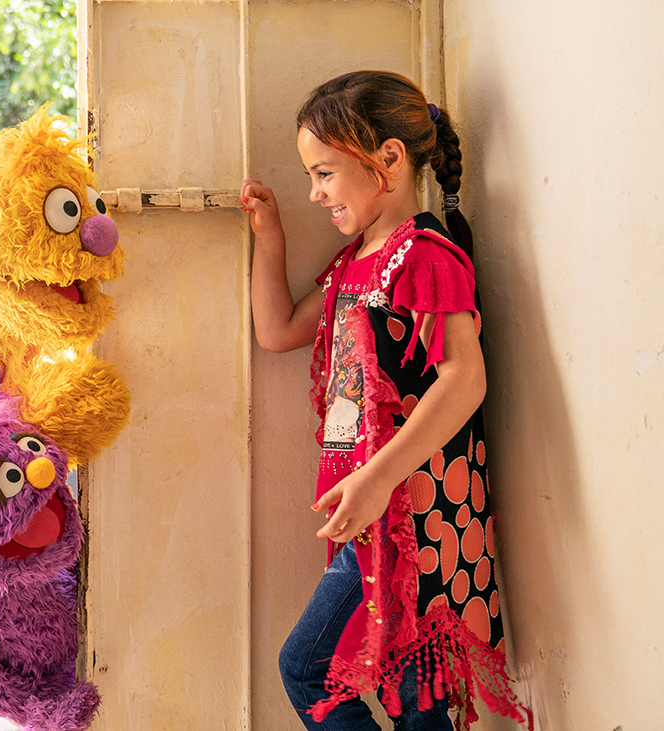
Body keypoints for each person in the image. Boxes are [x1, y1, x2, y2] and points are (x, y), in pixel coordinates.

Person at [242, 71, 532, 730]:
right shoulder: (355, 263)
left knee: (309, 668)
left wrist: (374, 479)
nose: (315, 192)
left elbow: (467, 376)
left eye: (324, 173)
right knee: (413, 701)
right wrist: (270, 239)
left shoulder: (424, 255)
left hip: (408, 511)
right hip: (369, 506)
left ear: (391, 160)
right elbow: (279, 329)